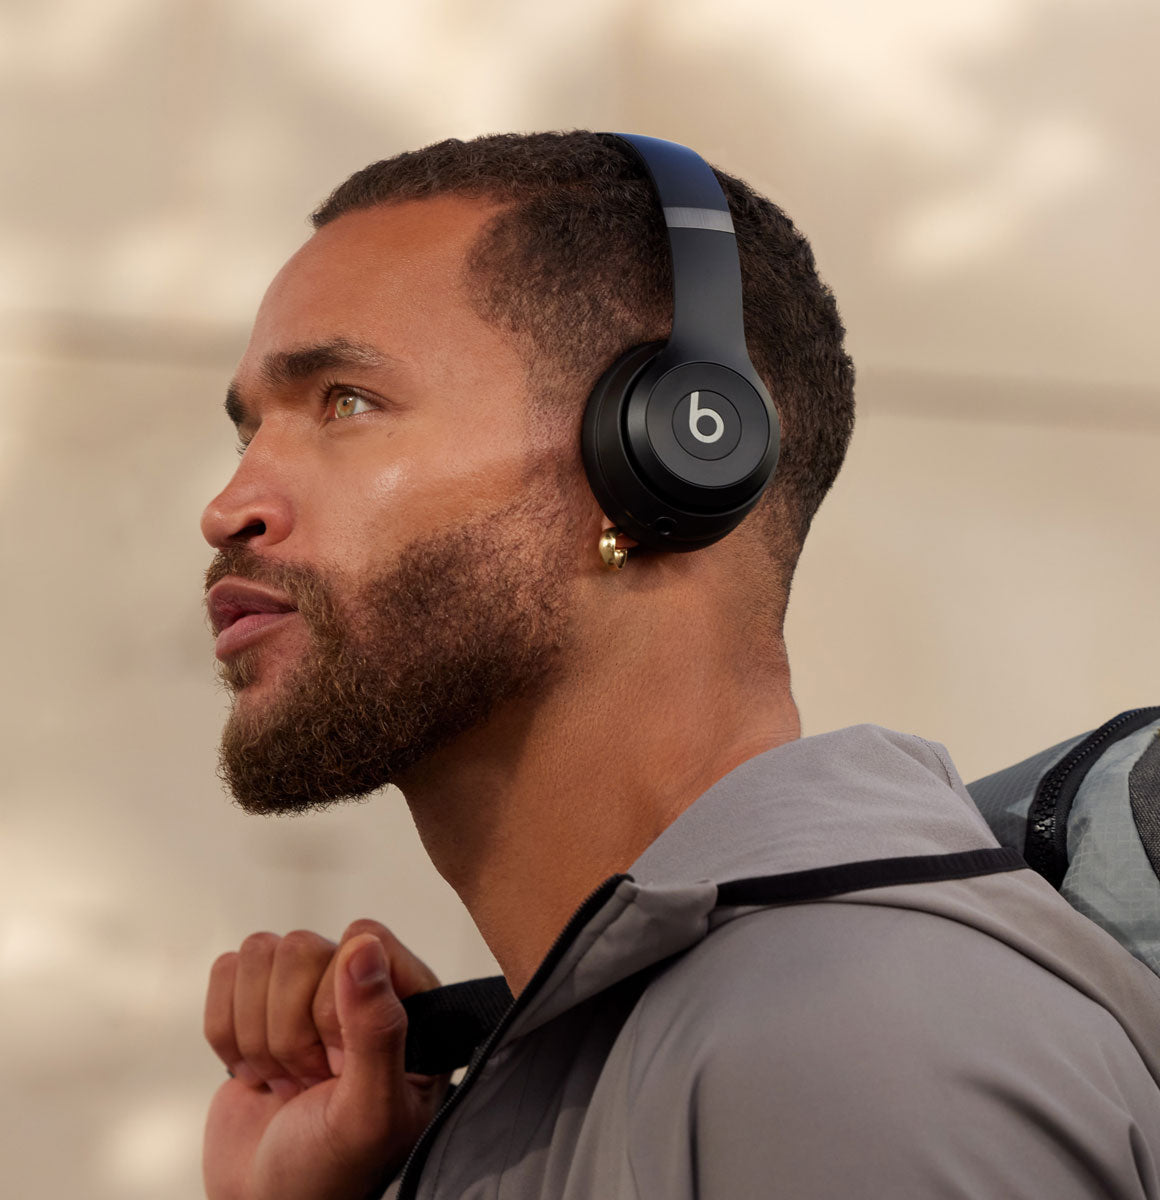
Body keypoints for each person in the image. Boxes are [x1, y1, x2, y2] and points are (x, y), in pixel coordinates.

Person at [199, 132, 1160, 1200]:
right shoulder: (636, 1051)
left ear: (673, 451)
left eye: (346, 402)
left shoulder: (836, 1049)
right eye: (248, 430)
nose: (229, 505)